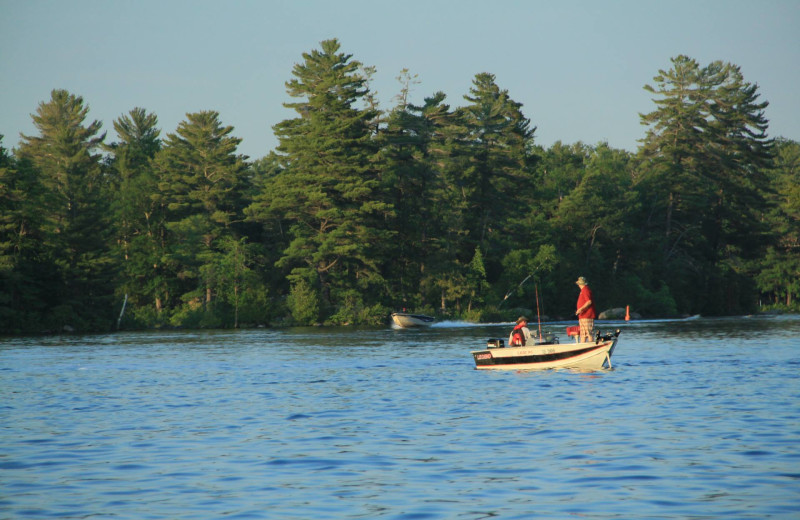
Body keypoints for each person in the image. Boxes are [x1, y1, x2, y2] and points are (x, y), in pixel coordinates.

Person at [575, 276, 597, 342]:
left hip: (587, 315)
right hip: (583, 315)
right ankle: (583, 347)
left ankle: (591, 346)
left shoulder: (585, 290)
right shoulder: (583, 290)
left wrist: (580, 309)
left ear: (579, 284)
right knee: (583, 334)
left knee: (588, 333)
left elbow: (589, 302)